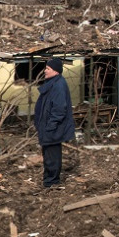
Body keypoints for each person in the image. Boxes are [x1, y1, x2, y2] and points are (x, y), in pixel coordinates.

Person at [32, 57, 75, 188]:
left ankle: (52, 182)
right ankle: (48, 180)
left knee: (52, 156)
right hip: (48, 127)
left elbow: (59, 109)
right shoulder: (53, 83)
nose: (45, 71)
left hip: (52, 129)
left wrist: (50, 126)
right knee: (48, 155)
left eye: (48, 68)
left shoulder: (58, 85)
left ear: (56, 71)